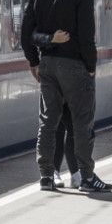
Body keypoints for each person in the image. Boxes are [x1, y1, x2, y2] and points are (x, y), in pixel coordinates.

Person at [21, 0, 112, 193]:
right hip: (74, 65)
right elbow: (86, 35)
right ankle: (86, 177)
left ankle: (46, 176)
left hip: (47, 64)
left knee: (48, 121)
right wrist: (91, 66)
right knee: (82, 121)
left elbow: (25, 31)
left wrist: (34, 60)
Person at [31, 29, 80, 189]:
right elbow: (30, 35)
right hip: (53, 71)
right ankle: (54, 172)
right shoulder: (41, 6)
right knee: (55, 125)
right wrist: (51, 39)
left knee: (74, 124)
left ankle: (75, 173)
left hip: (72, 69)